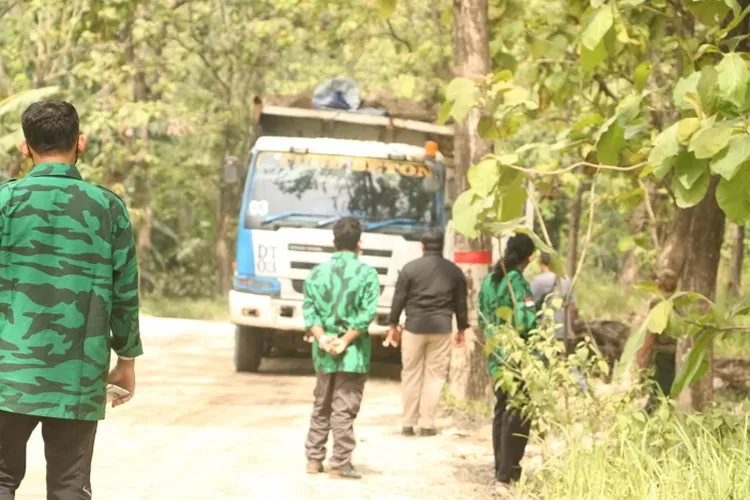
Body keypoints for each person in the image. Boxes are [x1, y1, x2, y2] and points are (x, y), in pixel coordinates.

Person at [0, 100, 142, 499]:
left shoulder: (4, 203)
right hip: (77, 378)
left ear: (25, 148)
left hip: (6, 378)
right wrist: (126, 361)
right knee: (68, 485)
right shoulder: (108, 208)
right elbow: (125, 293)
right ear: (81, 143)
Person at [302, 217, 380, 480]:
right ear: (359, 243)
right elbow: (366, 314)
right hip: (353, 354)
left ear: (333, 242)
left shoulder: (316, 273)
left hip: (323, 352)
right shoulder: (368, 274)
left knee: (321, 404)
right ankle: (340, 463)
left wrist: (324, 339)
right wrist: (345, 340)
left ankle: (314, 459)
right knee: (344, 407)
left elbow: (310, 313)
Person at [385, 229, 468, 437]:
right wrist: (462, 329)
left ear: (421, 245)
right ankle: (427, 424)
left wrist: (393, 325)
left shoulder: (409, 269)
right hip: (441, 329)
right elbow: (460, 303)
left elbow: (399, 299)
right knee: (435, 376)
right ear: (441, 246)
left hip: (414, 328)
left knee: (411, 373)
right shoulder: (454, 272)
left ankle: (408, 423)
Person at [477, 233, 537, 495]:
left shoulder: (490, 280)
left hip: (495, 354)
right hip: (516, 355)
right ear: (530, 257)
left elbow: (481, 316)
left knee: (502, 409)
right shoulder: (518, 284)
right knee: (518, 412)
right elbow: (527, 323)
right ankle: (507, 473)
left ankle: (500, 469)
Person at [637, 269, 678, 413]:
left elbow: (652, 330)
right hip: (677, 351)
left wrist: (643, 352)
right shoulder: (679, 299)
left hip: (663, 351)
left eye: (657, 279)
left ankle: (648, 417)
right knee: (669, 384)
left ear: (661, 283)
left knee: (659, 388)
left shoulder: (658, 301)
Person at [530, 252, 578, 353]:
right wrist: (572, 331)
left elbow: (529, 305)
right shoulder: (566, 279)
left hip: (547, 334)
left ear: (540, 262)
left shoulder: (539, 281)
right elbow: (572, 307)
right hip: (565, 334)